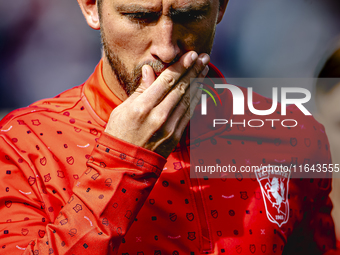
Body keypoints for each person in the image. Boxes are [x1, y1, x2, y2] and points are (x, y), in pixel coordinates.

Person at [0, 0, 337, 254]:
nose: (166, 47)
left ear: (220, 7)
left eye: (188, 15)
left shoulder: (290, 135)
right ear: (91, 7)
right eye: (139, 17)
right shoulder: (22, 145)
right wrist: (121, 162)